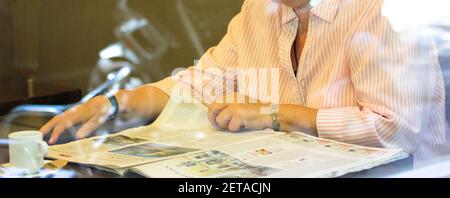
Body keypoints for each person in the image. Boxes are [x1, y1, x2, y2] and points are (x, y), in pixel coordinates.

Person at [41, 0, 450, 167]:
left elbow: (395, 130)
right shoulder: (260, 8)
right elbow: (200, 83)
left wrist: (274, 115)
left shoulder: (385, 9)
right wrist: (112, 104)